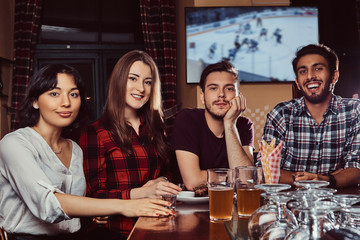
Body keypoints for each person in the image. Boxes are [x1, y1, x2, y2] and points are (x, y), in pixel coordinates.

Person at [0, 64, 173, 240]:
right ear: (35, 101)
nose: (66, 102)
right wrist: (126, 206)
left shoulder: (74, 149)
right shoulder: (14, 143)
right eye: (54, 93)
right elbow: (48, 204)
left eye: (73, 94)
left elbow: (80, 207)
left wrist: (95, 216)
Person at [79, 50, 181, 239]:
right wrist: (143, 192)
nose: (141, 88)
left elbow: (169, 171)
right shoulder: (95, 132)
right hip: (116, 231)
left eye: (148, 82)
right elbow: (94, 197)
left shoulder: (156, 126)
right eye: (132, 79)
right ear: (119, 81)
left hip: (158, 224)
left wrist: (163, 182)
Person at [258, 44, 360, 188]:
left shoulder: (355, 111)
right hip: (288, 205)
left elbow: (356, 169)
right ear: (297, 82)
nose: (310, 76)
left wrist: (324, 179)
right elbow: (266, 170)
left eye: (318, 68)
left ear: (334, 76)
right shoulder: (281, 114)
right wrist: (325, 178)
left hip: (339, 204)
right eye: (303, 71)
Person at [171, 60, 254, 191]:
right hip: (189, 207)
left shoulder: (244, 125)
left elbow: (246, 181)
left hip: (230, 204)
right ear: (202, 97)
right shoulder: (186, 119)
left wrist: (230, 124)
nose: (221, 94)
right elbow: (193, 182)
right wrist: (234, 175)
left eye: (229, 88)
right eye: (213, 88)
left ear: (239, 96)